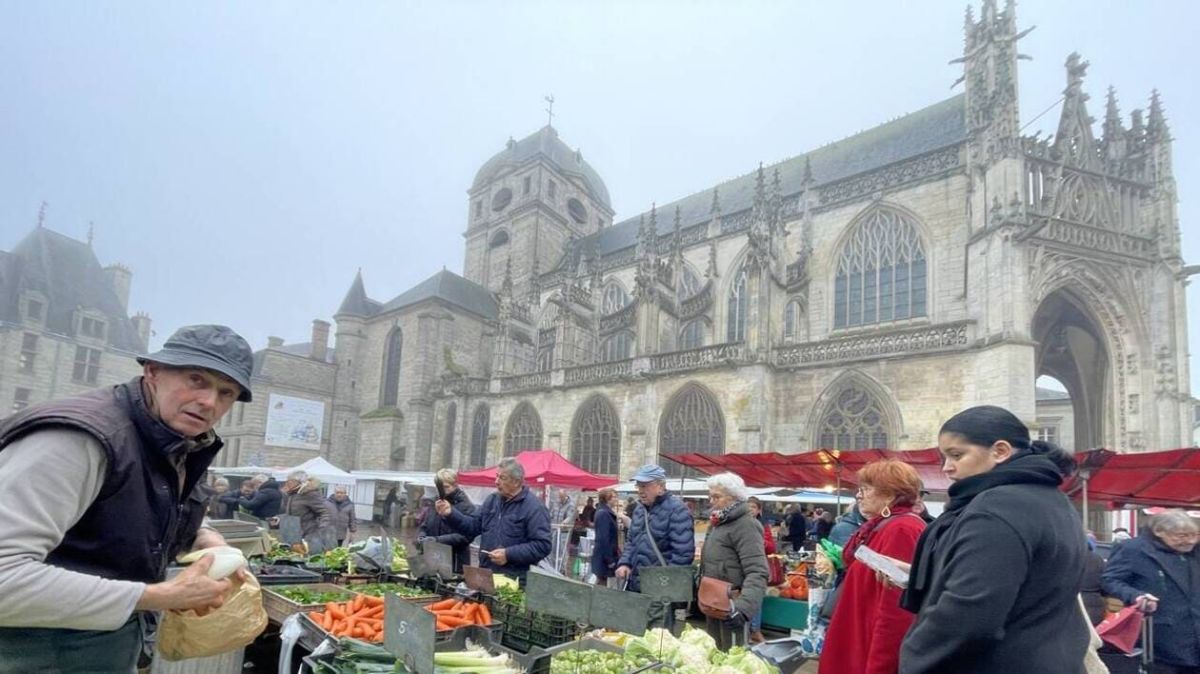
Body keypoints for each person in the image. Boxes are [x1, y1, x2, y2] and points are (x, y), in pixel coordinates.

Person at [0, 324, 255, 672]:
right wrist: (159, 596)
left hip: (100, 648)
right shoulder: (77, 441)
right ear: (153, 372)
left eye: (226, 392)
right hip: (31, 654)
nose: (210, 402)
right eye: (196, 380)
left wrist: (204, 535)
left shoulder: (168, 437)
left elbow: (141, 502)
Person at [897, 405, 1090, 674]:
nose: (947, 468)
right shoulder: (1052, 498)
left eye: (957, 455)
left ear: (1000, 451)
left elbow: (970, 612)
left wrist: (913, 657)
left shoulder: (997, 506)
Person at [819, 460, 926, 674]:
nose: (859, 495)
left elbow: (895, 612)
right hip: (858, 640)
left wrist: (879, 667)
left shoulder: (902, 529)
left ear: (889, 494)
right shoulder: (882, 526)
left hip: (867, 650)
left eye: (866, 489)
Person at [1101, 509, 1200, 673]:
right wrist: (1136, 596)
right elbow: (1110, 580)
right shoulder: (1133, 549)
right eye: (1181, 536)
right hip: (1160, 636)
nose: (1190, 541)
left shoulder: (1196, 550)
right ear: (1159, 531)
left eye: (1194, 535)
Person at [435, 458, 551, 582]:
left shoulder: (534, 507)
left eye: (502, 478)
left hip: (513, 582)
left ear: (517, 482)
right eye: (496, 476)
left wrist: (509, 554)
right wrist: (451, 513)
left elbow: (543, 545)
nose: (496, 482)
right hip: (486, 576)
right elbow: (472, 527)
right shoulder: (492, 500)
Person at [698, 473, 768, 651]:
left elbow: (758, 571)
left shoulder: (747, 525)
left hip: (732, 607)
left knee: (732, 659)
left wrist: (743, 609)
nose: (711, 501)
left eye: (717, 497)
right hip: (714, 603)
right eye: (710, 496)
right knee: (716, 656)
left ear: (734, 498)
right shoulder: (718, 522)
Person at [615, 464, 695, 592]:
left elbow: (683, 554)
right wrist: (625, 563)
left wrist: (666, 584)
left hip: (660, 587)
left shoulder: (677, 510)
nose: (640, 490)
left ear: (660, 486)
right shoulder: (639, 509)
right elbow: (631, 541)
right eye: (639, 485)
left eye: (645, 486)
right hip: (635, 584)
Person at [419, 469, 476, 573]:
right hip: (434, 556)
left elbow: (466, 536)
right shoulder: (435, 502)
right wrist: (422, 537)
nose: (442, 491)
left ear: (455, 485)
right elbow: (425, 525)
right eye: (439, 487)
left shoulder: (466, 506)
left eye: (446, 487)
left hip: (455, 560)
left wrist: (436, 540)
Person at [746, 496, 776, 644]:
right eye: (748, 506)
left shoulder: (764, 526)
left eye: (753, 507)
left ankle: (755, 630)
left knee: (757, 598)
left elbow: (771, 547)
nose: (750, 509)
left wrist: (760, 541)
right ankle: (745, 631)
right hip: (742, 565)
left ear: (759, 510)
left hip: (758, 565)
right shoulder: (740, 524)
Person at [279, 470, 334, 545]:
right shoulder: (293, 494)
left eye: (290, 481)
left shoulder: (309, 494)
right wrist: (279, 519)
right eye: (287, 481)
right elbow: (293, 514)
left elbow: (324, 513)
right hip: (293, 534)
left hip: (308, 535)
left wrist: (322, 529)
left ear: (299, 482)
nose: (287, 483)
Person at [591, 488, 621, 586]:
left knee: (603, 584)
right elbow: (603, 538)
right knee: (603, 585)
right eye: (614, 497)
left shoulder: (605, 512)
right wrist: (610, 560)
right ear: (607, 498)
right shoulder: (603, 513)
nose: (617, 499)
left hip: (606, 556)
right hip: (605, 557)